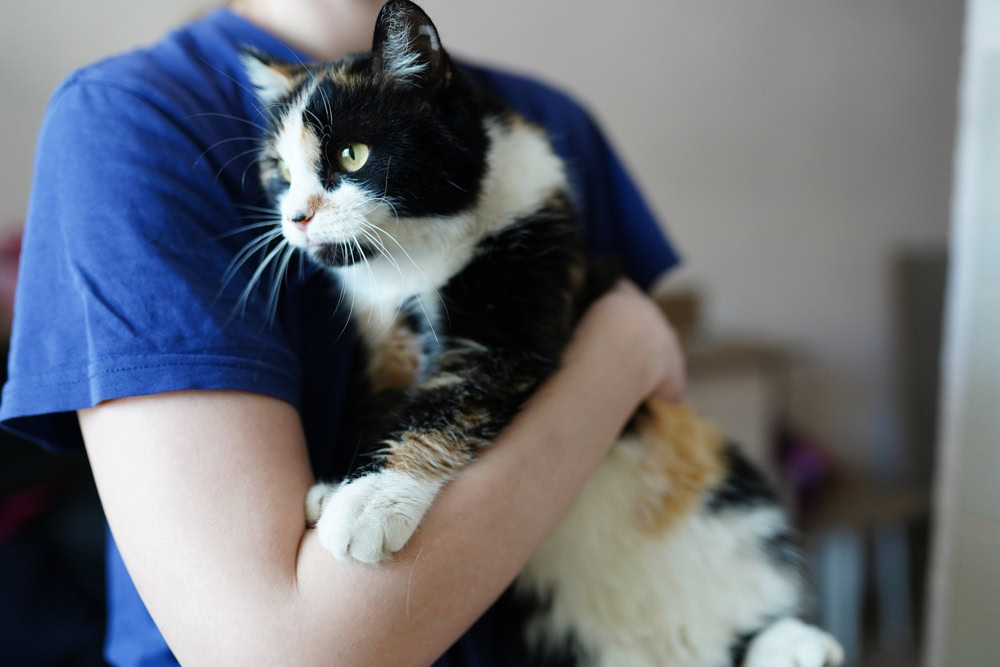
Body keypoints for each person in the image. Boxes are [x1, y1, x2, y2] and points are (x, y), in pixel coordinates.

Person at [0, 0, 686, 664]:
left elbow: (638, 477)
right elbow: (279, 656)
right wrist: (620, 356)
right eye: (281, 175)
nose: (295, 213)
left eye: (348, 157)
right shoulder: (130, 117)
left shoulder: (552, 120)